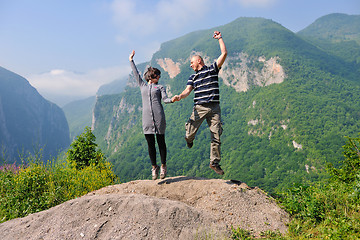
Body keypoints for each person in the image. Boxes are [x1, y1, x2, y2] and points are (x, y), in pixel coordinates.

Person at [172, 31, 227, 175]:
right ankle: (189, 139)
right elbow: (187, 91)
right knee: (189, 133)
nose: (190, 65)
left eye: (191, 62)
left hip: (214, 108)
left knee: (216, 135)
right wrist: (179, 96)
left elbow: (224, 54)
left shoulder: (212, 70)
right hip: (199, 108)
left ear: (199, 61)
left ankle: (214, 163)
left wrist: (219, 38)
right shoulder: (192, 77)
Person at [129, 50, 174, 180]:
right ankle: (154, 167)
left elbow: (165, 100)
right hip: (147, 120)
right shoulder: (142, 85)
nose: (159, 78)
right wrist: (131, 60)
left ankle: (163, 166)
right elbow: (136, 73)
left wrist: (173, 99)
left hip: (159, 118)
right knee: (150, 144)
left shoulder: (160, 88)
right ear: (152, 76)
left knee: (161, 143)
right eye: (157, 76)